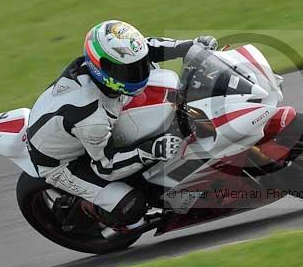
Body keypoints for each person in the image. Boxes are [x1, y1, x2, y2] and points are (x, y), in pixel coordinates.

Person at [26, 20, 218, 231]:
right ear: (102, 69)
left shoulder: (111, 66)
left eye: (139, 64)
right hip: (64, 163)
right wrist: (151, 150)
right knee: (130, 206)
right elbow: (104, 166)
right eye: (130, 70)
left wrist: (191, 47)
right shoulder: (93, 118)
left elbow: (149, 47)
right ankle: (85, 210)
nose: (141, 71)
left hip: (77, 124)